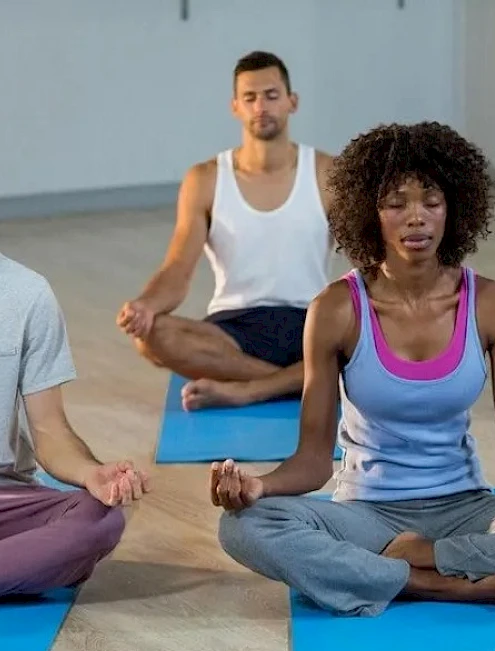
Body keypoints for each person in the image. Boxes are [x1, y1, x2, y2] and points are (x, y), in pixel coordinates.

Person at [209, 121, 495, 617]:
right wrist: (258, 487)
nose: (416, 218)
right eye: (396, 203)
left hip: (469, 510)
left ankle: (422, 563)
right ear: (369, 213)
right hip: (367, 515)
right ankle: (431, 583)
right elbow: (313, 462)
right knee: (243, 525)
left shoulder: (491, 303)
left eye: (431, 202)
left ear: (453, 209)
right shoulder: (335, 310)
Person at [0, 132, 149, 600]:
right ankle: (5, 572)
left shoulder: (26, 294)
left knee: (100, 519)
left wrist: (93, 473)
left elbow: (50, 432)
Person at [116, 50, 335, 411]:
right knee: (151, 335)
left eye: (271, 95)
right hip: (233, 330)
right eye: (250, 98)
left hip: (310, 323)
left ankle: (249, 389)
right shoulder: (205, 179)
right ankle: (298, 383)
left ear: (291, 102)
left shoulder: (327, 173)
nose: (260, 106)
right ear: (235, 107)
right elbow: (177, 269)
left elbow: (368, 257)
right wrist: (145, 306)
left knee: (373, 332)